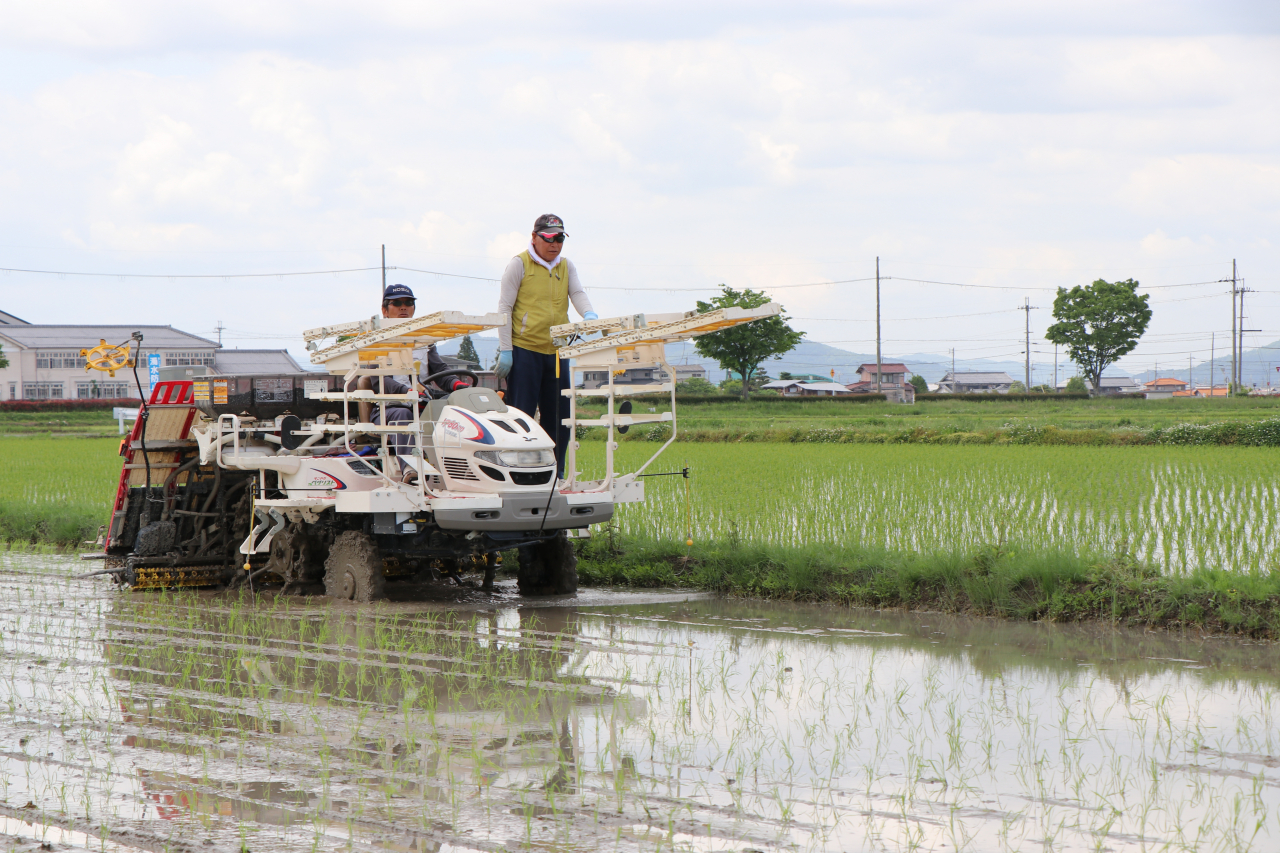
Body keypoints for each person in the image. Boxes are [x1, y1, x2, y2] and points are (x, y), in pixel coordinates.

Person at [494, 214, 598, 476]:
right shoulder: (519, 264)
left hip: (556, 351)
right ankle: (518, 472)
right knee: (522, 416)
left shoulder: (566, 266)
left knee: (559, 417)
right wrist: (507, 349)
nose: (554, 244)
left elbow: (577, 293)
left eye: (560, 238)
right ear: (534, 237)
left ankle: (556, 472)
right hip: (525, 349)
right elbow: (504, 308)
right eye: (549, 238)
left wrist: (589, 314)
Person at [356, 284, 471, 479]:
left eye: (408, 303)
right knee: (404, 413)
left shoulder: (424, 340)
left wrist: (456, 385)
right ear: (384, 310)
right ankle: (410, 468)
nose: (404, 307)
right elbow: (379, 381)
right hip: (388, 409)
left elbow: (440, 370)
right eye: (397, 303)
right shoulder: (376, 342)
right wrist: (407, 392)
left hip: (423, 404)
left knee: (456, 413)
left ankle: (463, 470)